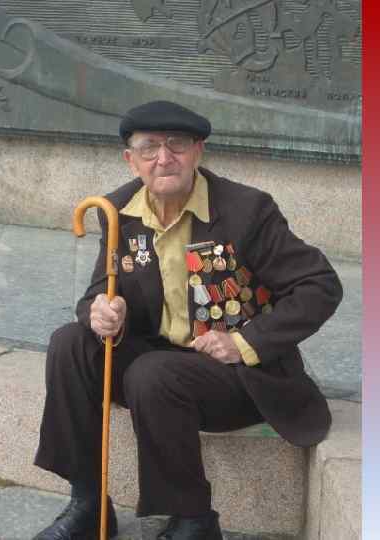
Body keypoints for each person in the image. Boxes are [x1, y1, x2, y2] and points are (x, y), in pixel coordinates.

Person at [32, 100, 343, 540]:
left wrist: (244, 342)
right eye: (149, 147)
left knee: (152, 372)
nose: (164, 158)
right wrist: (101, 311)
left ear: (198, 151)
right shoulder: (118, 210)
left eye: (177, 144)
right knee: (70, 342)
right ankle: (87, 502)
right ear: (131, 159)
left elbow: (320, 284)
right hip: (157, 365)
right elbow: (96, 294)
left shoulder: (246, 210)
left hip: (237, 375)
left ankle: (194, 520)